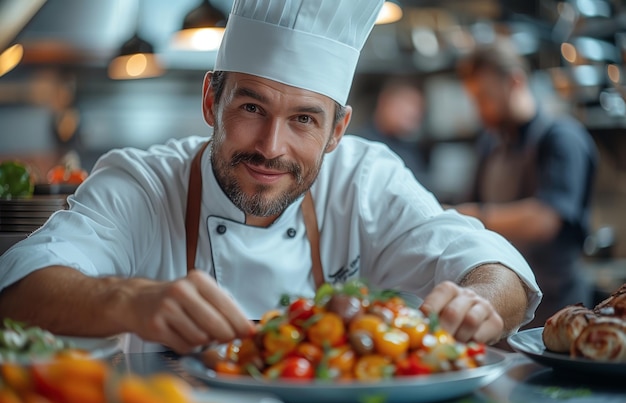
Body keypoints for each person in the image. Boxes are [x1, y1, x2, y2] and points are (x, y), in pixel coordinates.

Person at [0, 0, 540, 354]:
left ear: (337, 130)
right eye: (252, 108)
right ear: (212, 98)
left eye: (304, 119)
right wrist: (132, 301)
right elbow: (19, 285)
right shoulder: (142, 184)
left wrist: (479, 302)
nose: (270, 148)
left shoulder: (365, 181)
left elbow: (496, 270)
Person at [454, 38, 597, 328]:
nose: (479, 110)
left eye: (485, 97)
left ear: (515, 82)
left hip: (559, 308)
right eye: (475, 100)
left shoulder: (562, 138)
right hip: (503, 302)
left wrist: (469, 215)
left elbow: (545, 219)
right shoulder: (490, 145)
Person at [354, 79, 429, 185]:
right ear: (385, 102)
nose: (413, 112)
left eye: (418, 107)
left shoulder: (411, 150)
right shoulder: (361, 144)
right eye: (407, 104)